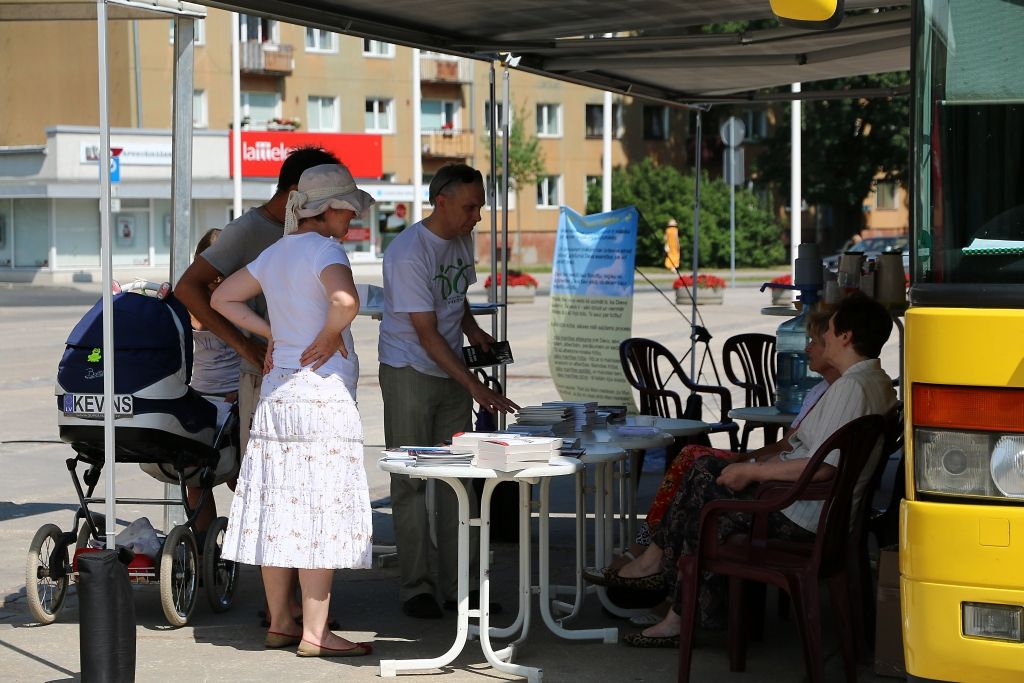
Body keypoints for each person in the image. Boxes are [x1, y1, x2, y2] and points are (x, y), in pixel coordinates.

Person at [605, 294, 896, 647]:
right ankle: (670, 595)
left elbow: (822, 468)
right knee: (702, 474)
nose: (823, 337)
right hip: (815, 509)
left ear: (846, 336)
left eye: (830, 330)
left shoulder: (852, 386)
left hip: (801, 514)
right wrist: (755, 467)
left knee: (703, 482)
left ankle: (663, 585)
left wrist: (755, 473)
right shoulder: (876, 381)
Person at [213, 163, 374, 657]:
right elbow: (345, 300)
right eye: (349, 209)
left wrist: (272, 333)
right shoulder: (325, 249)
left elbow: (221, 298)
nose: (353, 219)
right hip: (320, 398)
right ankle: (316, 632)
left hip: (278, 396)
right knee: (319, 510)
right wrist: (328, 333)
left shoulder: (276, 251)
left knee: (279, 507)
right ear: (329, 208)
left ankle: (281, 622)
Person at [176, 145, 341, 624]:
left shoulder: (312, 233)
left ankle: (292, 610)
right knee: (277, 491)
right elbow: (191, 288)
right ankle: (283, 610)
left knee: (299, 492)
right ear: (299, 193)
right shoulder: (251, 231)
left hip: (308, 382)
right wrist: (245, 345)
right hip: (269, 380)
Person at [378, 163, 520, 619]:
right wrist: (476, 386)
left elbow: (454, 298)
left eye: (480, 207)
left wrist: (474, 331)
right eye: (470, 207)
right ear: (441, 201)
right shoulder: (407, 252)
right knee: (411, 481)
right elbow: (426, 333)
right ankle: (417, 588)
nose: (477, 217)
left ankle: (464, 587)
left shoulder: (460, 238)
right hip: (410, 370)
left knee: (459, 481)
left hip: (451, 371)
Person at [606, 310, 839, 571]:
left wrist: (752, 464)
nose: (806, 349)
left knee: (694, 459)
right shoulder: (819, 390)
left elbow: (796, 452)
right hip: (776, 471)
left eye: (815, 342)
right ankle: (652, 546)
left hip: (786, 488)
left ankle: (649, 550)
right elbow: (786, 444)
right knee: (692, 458)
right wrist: (748, 458)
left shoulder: (838, 394)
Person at [184, 228, 241, 537]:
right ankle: (205, 547)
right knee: (195, 479)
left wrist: (244, 391)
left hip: (236, 396)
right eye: (212, 272)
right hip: (200, 397)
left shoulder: (240, 298)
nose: (216, 280)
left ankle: (248, 542)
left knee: (238, 478)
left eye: (222, 273)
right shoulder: (188, 300)